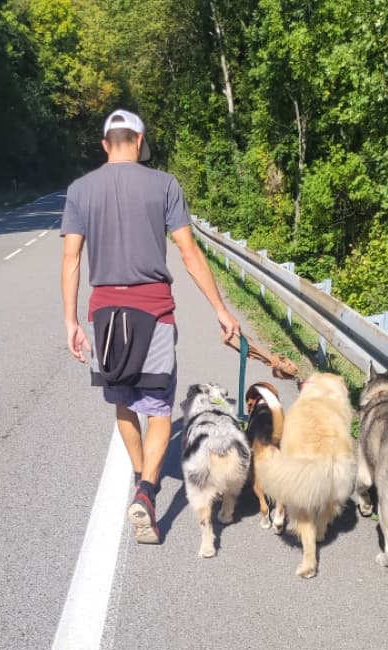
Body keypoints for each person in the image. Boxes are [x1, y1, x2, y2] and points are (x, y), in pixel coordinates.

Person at [60, 109, 240, 544]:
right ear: (139, 142)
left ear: (106, 144)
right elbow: (188, 251)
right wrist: (220, 308)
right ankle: (147, 489)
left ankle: (143, 481)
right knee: (159, 409)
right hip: (154, 311)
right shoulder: (164, 185)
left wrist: (70, 321)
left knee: (124, 403)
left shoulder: (80, 190)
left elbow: (71, 259)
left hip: (104, 314)